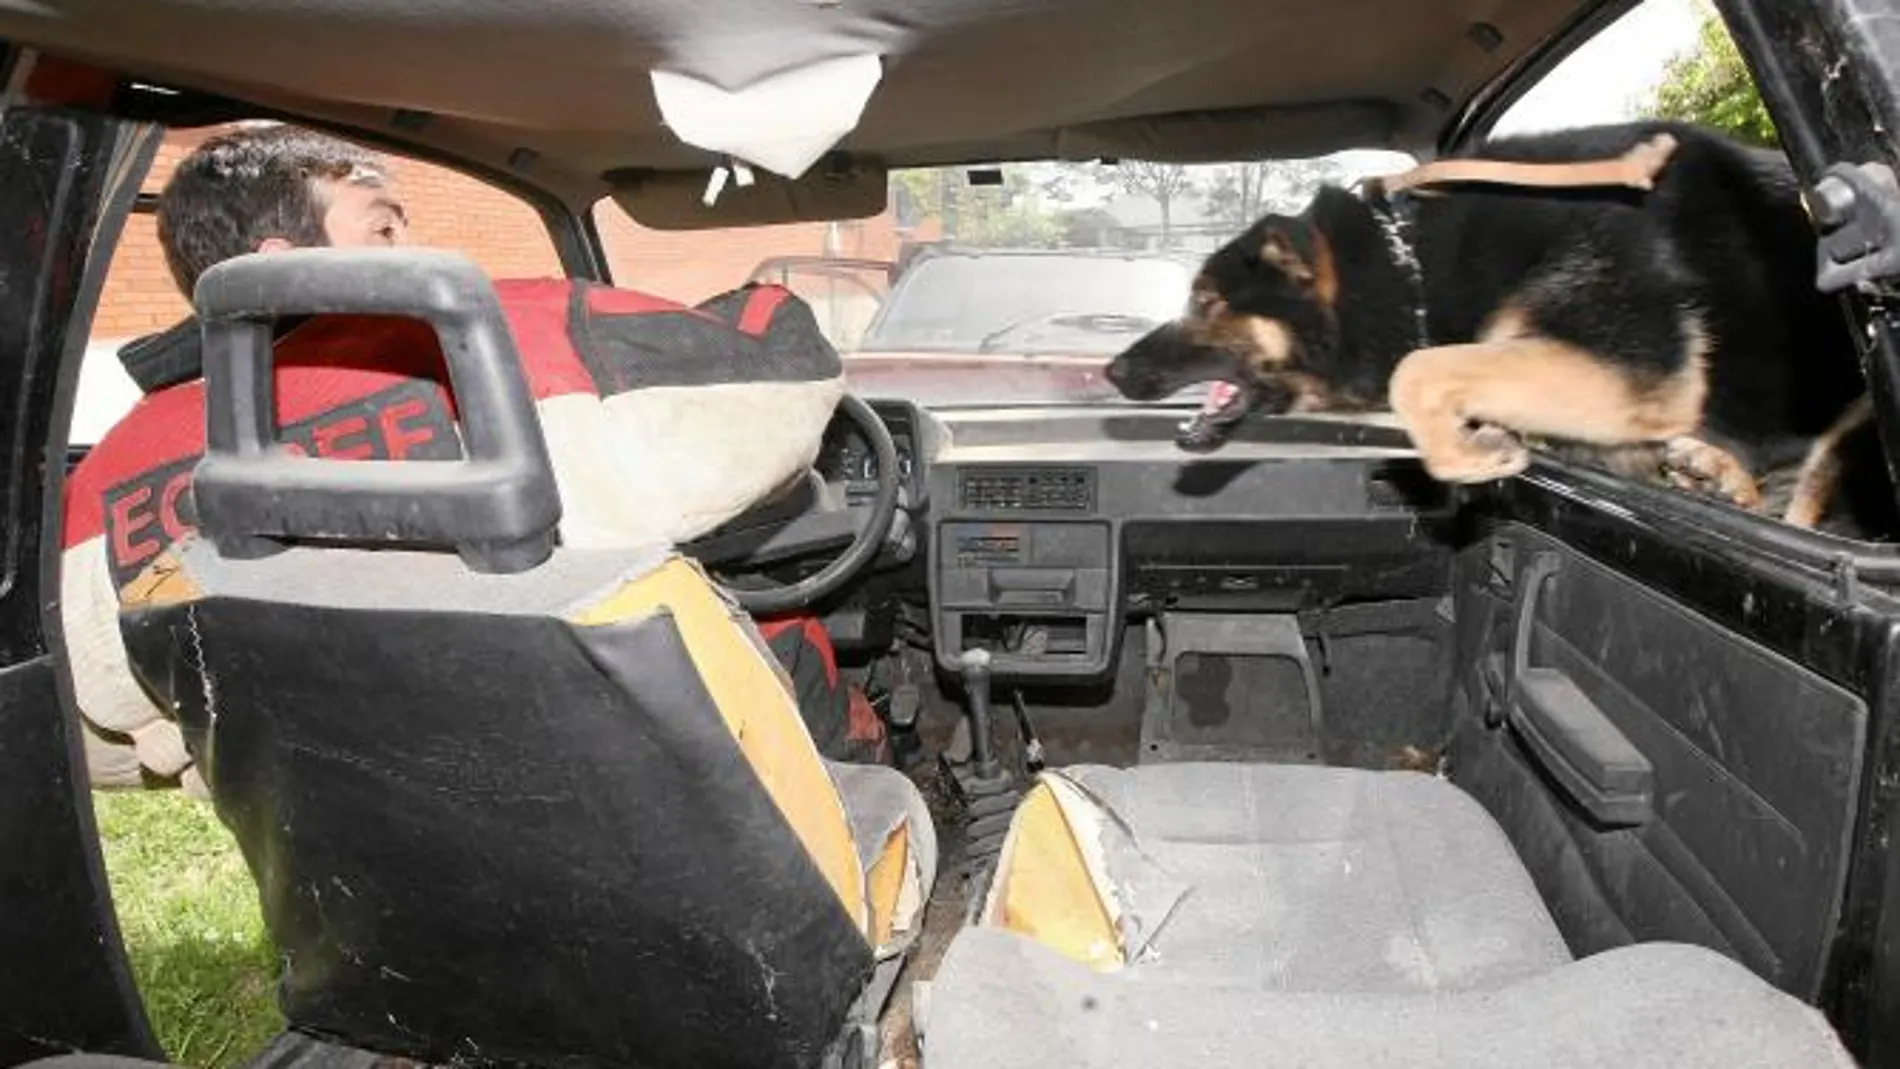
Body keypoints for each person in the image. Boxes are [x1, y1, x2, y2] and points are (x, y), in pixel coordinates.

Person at [64, 124, 886, 796]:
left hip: (389, 884)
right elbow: (787, 373)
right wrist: (768, 300)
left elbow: (104, 737)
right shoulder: (513, 340)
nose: (410, 245)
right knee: (768, 616)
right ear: (283, 263)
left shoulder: (102, 481)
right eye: (383, 225)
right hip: (634, 806)